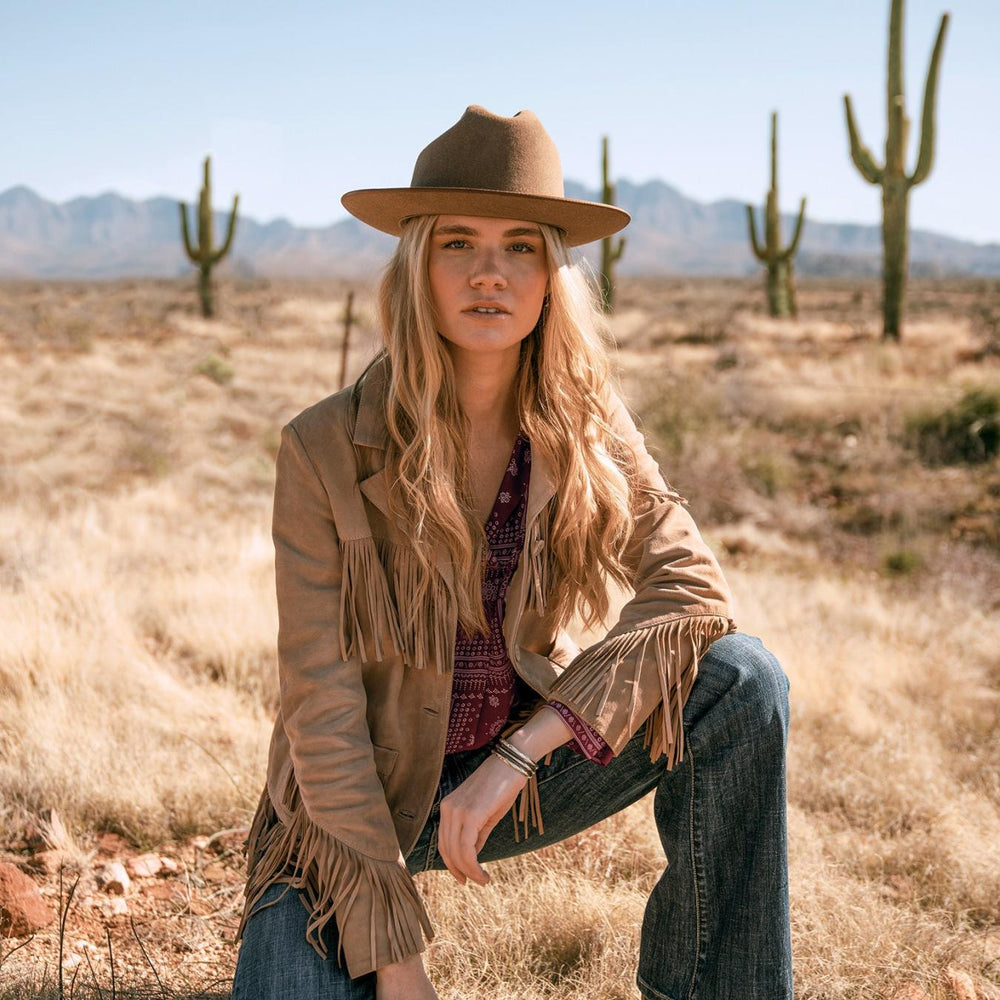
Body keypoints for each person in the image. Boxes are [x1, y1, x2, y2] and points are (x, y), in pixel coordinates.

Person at [232, 105, 792, 1000]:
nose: (489, 273)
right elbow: (321, 709)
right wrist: (395, 957)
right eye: (458, 243)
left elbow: (692, 587)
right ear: (418, 264)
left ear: (550, 275)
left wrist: (523, 752)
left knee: (742, 678)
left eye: (520, 247)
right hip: (351, 810)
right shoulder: (324, 449)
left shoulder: (584, 422)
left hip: (515, 772)